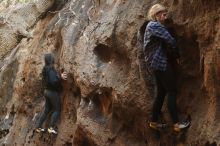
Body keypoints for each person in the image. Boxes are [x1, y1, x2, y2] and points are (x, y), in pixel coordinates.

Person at [143, 4, 190, 131]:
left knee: (161, 93)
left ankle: (153, 121)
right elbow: (170, 40)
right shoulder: (155, 25)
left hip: (154, 65)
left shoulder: (150, 26)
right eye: (163, 14)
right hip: (160, 63)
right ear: (156, 15)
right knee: (172, 91)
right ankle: (176, 124)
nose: (165, 17)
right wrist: (177, 56)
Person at [35, 53, 67, 134]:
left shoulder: (45, 69)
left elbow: (49, 80)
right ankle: (51, 127)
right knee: (57, 109)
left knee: (47, 110)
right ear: (51, 60)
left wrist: (59, 76)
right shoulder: (50, 69)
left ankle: (38, 127)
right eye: (53, 58)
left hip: (46, 92)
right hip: (52, 92)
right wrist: (61, 77)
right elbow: (53, 81)